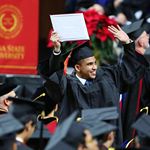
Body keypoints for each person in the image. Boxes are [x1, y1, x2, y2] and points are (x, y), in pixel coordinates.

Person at [39, 23, 149, 145]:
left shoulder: (108, 76)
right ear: (77, 67)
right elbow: (54, 77)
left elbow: (129, 72)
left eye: (95, 63)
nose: (94, 67)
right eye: (90, 64)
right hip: (78, 144)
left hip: (107, 144)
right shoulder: (67, 84)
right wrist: (57, 50)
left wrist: (127, 43)